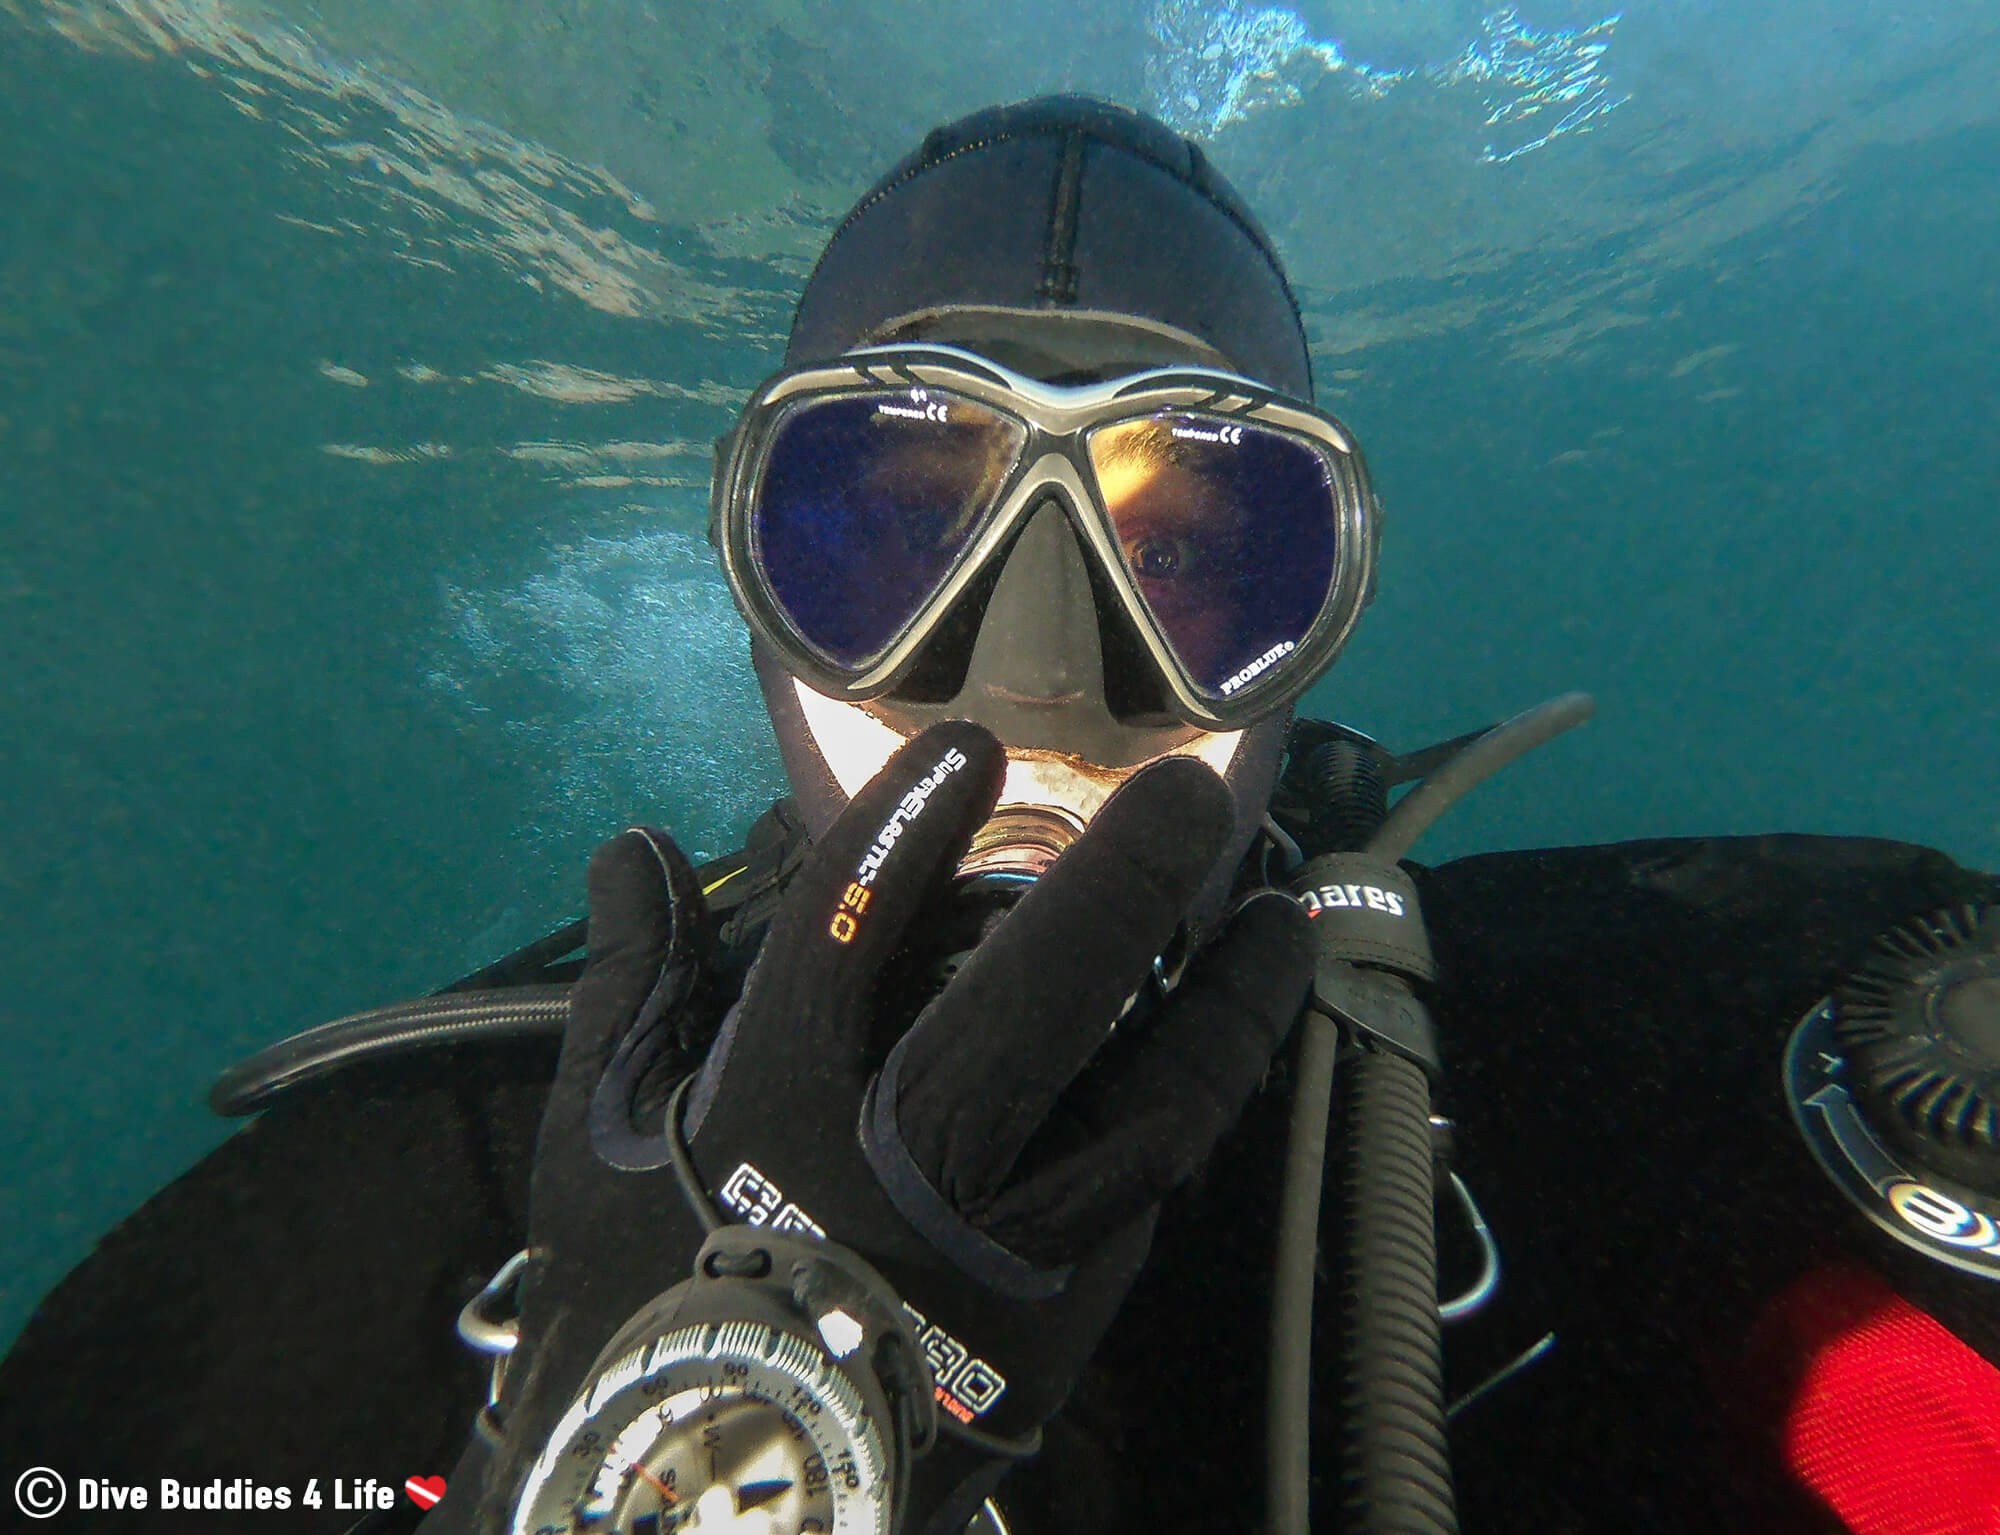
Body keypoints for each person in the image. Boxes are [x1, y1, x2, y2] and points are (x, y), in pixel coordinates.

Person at [3, 95, 1996, 1535]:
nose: (1041, 678)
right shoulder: (366, 1237)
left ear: (1311, 630)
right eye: (889, 526)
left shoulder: (1702, 1072)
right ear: (756, 596)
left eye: (1199, 549)